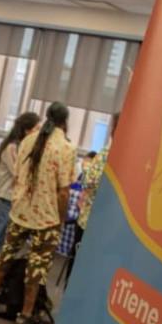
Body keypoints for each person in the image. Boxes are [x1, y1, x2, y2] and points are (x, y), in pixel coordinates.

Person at [0, 102, 77, 324]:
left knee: (5, 255)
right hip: (47, 217)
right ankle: (24, 314)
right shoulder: (66, 148)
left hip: (20, 211)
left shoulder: (27, 140)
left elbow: (18, 175)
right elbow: (64, 191)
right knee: (37, 265)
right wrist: (61, 218)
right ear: (65, 121)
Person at [0, 112, 40, 278]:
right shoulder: (12, 147)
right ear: (26, 130)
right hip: (5, 199)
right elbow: (20, 173)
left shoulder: (24, 148)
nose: (39, 133)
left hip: (16, 201)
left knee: (9, 245)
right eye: (36, 129)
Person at [72, 112, 120, 281]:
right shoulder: (126, 157)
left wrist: (86, 172)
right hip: (107, 226)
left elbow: (89, 181)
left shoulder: (107, 154)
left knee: (79, 270)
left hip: (91, 221)